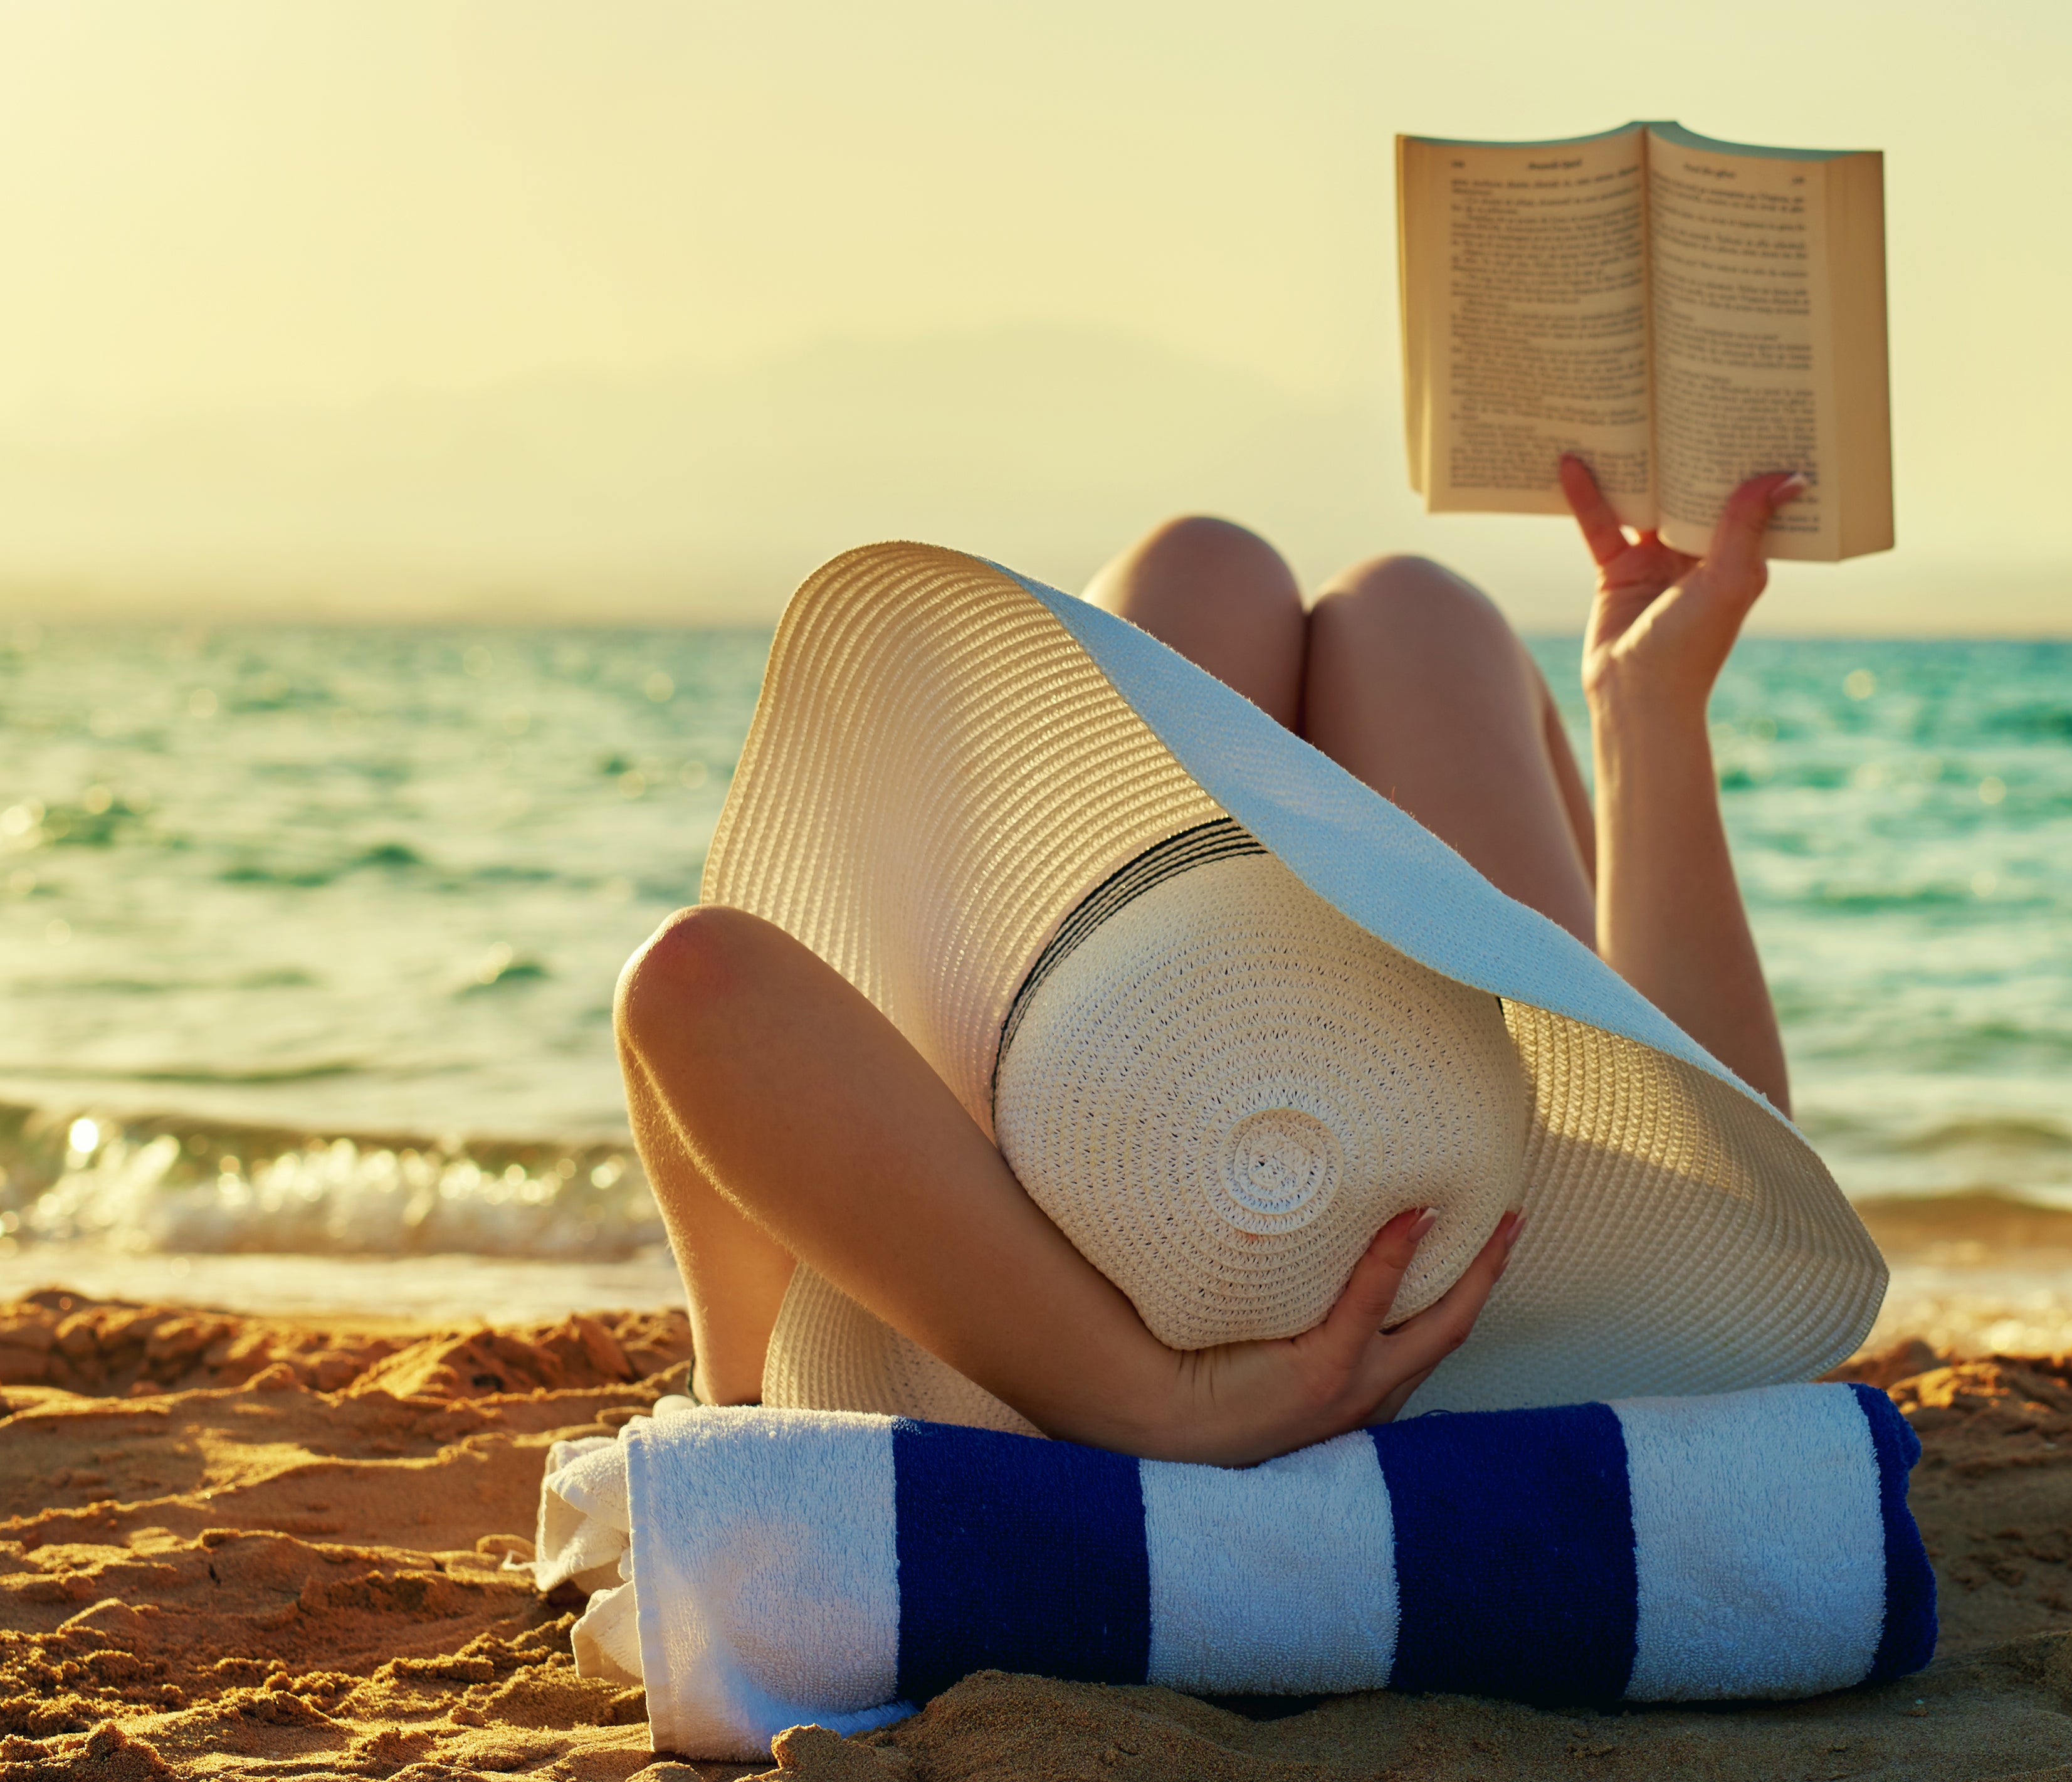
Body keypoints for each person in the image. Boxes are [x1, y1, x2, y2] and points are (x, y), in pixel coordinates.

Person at [616, 455, 1811, 1469]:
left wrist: (1152, 1405)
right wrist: (1647, 700)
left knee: (1211, 563)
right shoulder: (1537, 1344)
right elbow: (1750, 1186)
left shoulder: (930, 1350)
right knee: (1408, 606)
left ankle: (747, 1358)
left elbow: (698, 979)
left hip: (1097, 1316)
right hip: (1478, 1306)